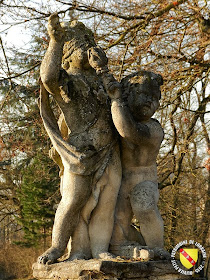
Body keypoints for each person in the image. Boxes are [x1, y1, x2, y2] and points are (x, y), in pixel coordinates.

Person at [38, 14, 121, 264]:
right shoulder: (67, 82)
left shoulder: (103, 80)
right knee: (74, 200)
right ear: (70, 51)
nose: (90, 49)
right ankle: (57, 247)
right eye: (84, 45)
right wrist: (55, 42)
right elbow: (48, 77)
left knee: (107, 204)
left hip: (110, 151)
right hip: (81, 153)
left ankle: (100, 249)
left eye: (91, 43)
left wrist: (104, 72)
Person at [88, 47, 169, 258]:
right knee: (116, 219)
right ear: (128, 96)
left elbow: (127, 130)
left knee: (143, 204)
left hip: (144, 180)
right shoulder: (117, 113)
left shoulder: (153, 129)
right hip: (121, 181)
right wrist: (104, 79)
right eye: (144, 95)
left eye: (155, 98)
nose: (151, 102)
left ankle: (157, 248)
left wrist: (115, 98)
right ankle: (123, 247)